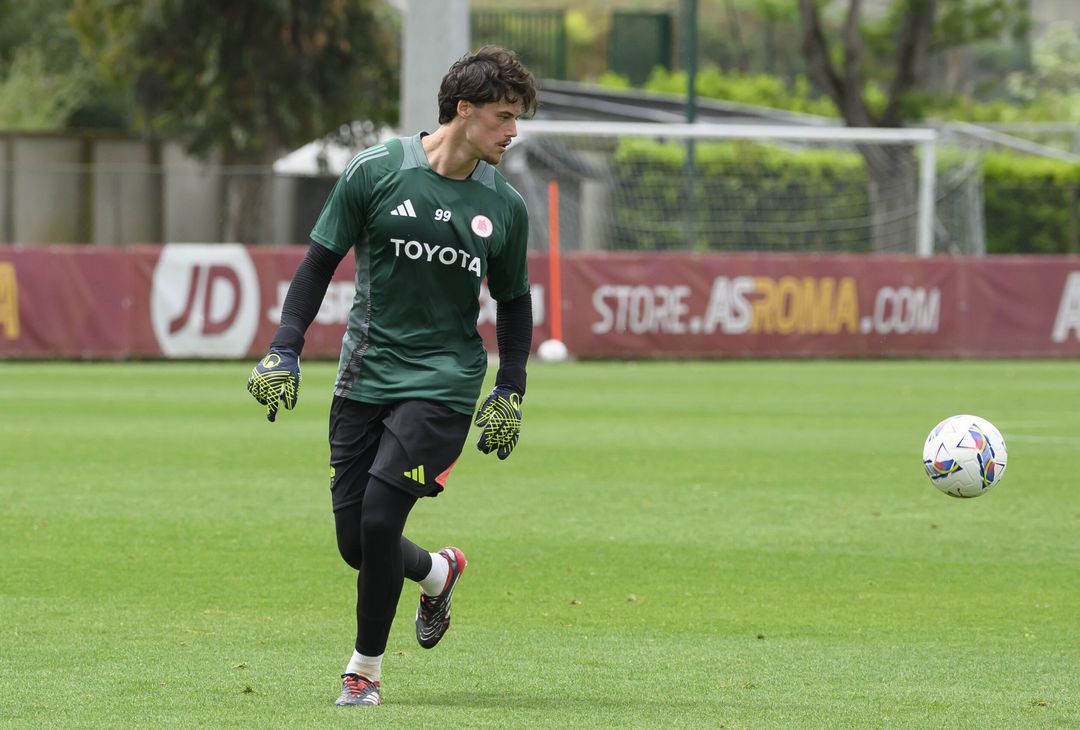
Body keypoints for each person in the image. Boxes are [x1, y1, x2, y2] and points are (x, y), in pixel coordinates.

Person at [246, 46, 538, 707]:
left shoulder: (506, 207)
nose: (512, 132)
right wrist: (283, 348)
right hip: (363, 376)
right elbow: (318, 263)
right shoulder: (377, 171)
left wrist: (510, 388)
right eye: (502, 116)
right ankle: (437, 573)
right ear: (463, 111)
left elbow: (515, 302)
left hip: (445, 382)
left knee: (380, 519)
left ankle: (364, 672)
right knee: (358, 543)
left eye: (516, 118)